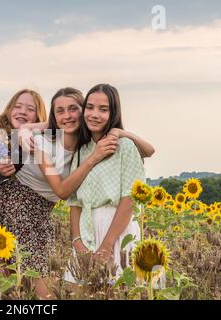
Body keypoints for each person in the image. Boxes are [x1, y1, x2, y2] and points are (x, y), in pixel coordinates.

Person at [0, 88, 154, 299]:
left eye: (73, 109)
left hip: (41, 214)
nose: (67, 115)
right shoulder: (43, 144)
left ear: (82, 111)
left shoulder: (85, 146)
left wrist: (120, 132)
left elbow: (148, 151)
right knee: (8, 286)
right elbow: (62, 190)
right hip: (14, 205)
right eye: (60, 111)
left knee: (35, 288)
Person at [65, 84, 148, 282]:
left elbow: (130, 199)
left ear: (113, 113)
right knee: (78, 291)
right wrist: (78, 243)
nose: (95, 114)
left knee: (118, 289)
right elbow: (75, 203)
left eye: (103, 109)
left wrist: (107, 246)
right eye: (90, 107)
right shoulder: (81, 150)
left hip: (118, 231)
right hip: (86, 232)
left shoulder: (125, 147)